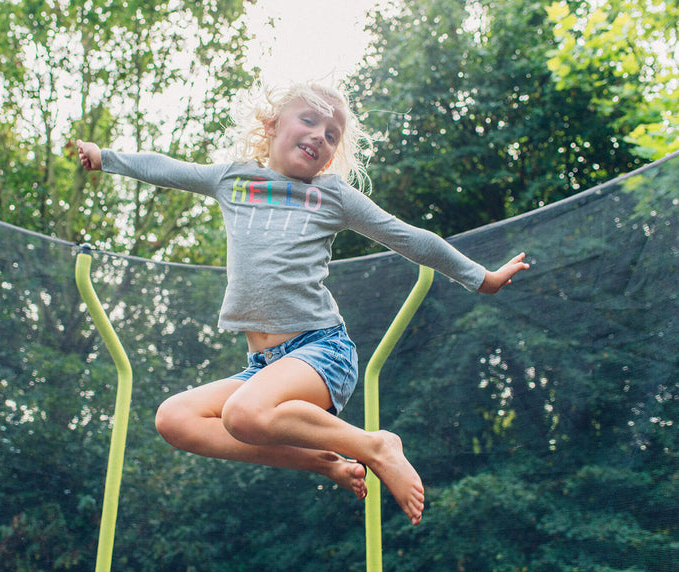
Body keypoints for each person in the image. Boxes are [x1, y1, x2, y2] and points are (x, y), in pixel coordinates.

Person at [76, 82, 528, 525]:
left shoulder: (331, 196)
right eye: (309, 120)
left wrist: (481, 278)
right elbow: (169, 168)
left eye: (332, 135)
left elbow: (409, 237)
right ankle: (320, 461)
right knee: (175, 419)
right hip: (263, 366)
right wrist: (106, 159)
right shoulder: (233, 179)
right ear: (272, 125)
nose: (319, 136)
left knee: (244, 413)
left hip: (321, 350)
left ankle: (376, 445)